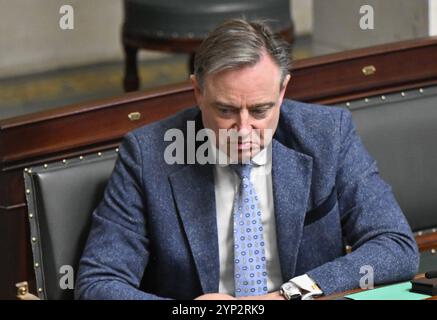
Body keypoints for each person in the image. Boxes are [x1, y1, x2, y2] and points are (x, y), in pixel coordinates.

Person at [75, 19, 419, 300]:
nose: (243, 129)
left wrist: (292, 293)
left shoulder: (327, 135)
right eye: (225, 110)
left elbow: (396, 245)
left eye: (260, 110)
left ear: (282, 91)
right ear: (197, 91)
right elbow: (98, 282)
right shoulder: (148, 154)